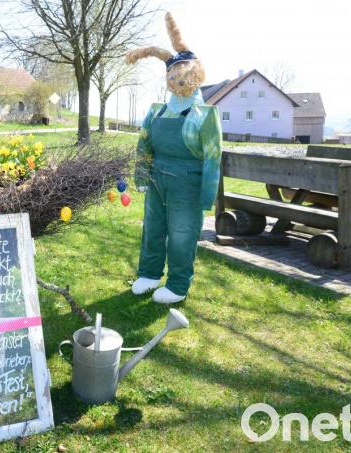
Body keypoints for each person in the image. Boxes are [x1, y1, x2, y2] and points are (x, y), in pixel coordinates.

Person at [125, 12, 222, 304]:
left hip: (187, 183)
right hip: (157, 178)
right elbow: (144, 146)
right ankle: (149, 273)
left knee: (181, 233)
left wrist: (207, 198)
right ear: (167, 78)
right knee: (153, 227)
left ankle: (178, 285)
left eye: (183, 73)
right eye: (173, 74)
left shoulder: (205, 116)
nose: (178, 78)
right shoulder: (156, 110)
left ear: (196, 74)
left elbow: (212, 159)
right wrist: (141, 176)